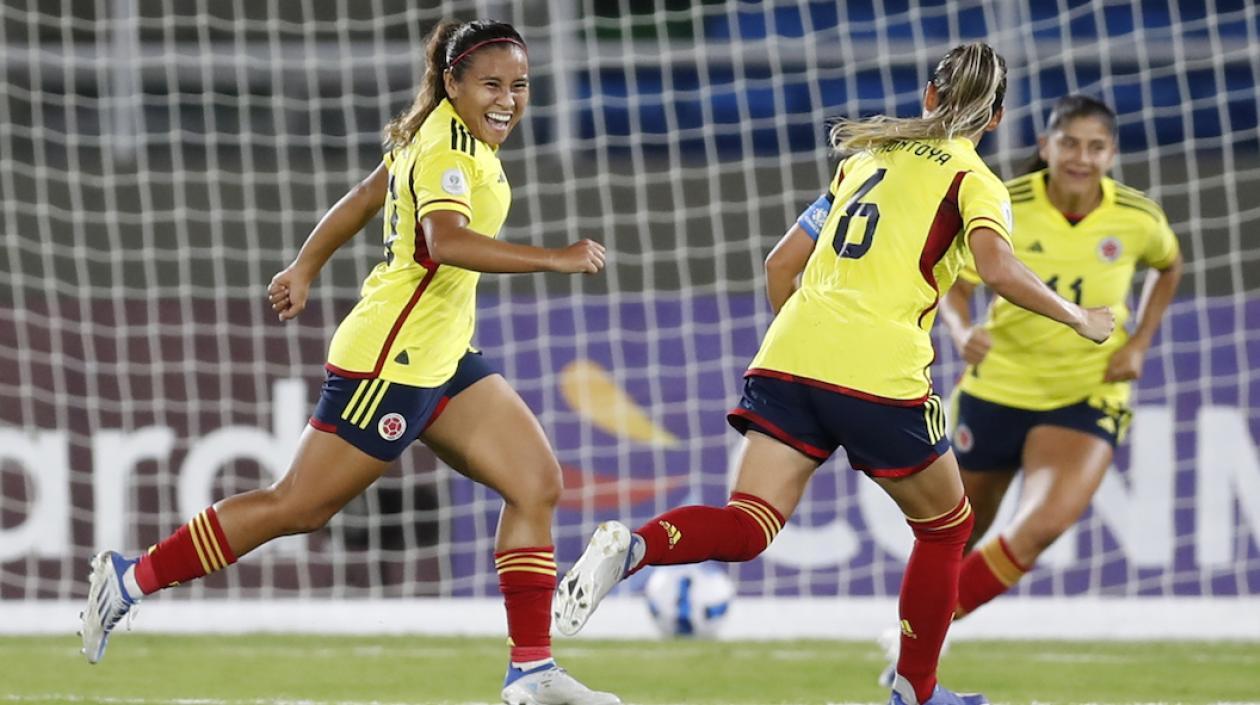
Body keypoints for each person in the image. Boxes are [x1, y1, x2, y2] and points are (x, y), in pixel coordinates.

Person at [552, 43, 1114, 705]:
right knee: (947, 529)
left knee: (750, 522)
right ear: (995, 121)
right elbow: (996, 269)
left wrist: (809, 351)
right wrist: (1078, 316)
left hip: (789, 354)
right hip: (879, 370)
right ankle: (916, 691)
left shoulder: (863, 159)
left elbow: (777, 267)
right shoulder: (975, 181)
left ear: (928, 96)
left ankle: (636, 547)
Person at [80, 19, 620, 705]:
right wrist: (555, 257)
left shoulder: (442, 137)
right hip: (389, 361)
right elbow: (446, 240)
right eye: (492, 84)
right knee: (297, 506)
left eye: (520, 85)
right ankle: (129, 579)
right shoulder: (445, 150)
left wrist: (305, 265)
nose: (509, 99)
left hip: (441, 355)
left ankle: (532, 670)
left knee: (536, 481)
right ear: (453, 83)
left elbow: (366, 196)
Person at [942, 95, 1183, 618]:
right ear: (1044, 146)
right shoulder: (1003, 204)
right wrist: (961, 331)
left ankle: (911, 644)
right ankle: (918, 660)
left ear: (1112, 155)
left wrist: (1139, 341)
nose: (1082, 157)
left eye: (1096, 147)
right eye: (1070, 142)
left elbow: (1169, 265)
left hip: (1086, 389)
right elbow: (953, 285)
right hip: (997, 385)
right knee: (954, 537)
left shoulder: (1137, 218)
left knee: (1040, 527)